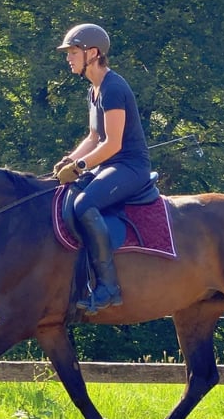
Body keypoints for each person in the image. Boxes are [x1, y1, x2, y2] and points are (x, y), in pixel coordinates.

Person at [53, 23, 152, 315]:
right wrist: (69, 160)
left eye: (73, 51)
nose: (68, 58)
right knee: (68, 196)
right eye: (68, 52)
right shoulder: (94, 90)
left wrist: (80, 166)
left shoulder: (113, 88)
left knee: (84, 204)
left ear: (93, 53)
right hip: (109, 166)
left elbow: (113, 144)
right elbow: (94, 137)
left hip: (130, 168)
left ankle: (109, 287)